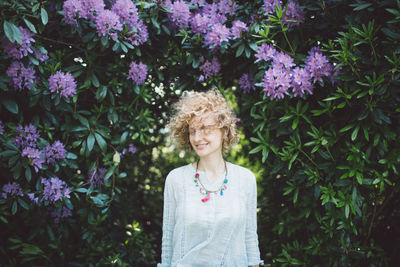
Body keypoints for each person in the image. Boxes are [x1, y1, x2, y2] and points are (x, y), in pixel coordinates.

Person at [158, 89, 263, 267]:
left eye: (205, 129)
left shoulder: (245, 179)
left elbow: (250, 238)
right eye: (192, 131)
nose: (198, 138)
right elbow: (168, 241)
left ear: (224, 131)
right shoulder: (176, 179)